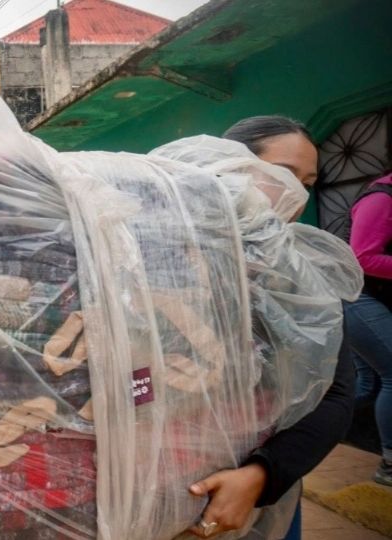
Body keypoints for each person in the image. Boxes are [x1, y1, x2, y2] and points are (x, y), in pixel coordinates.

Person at [186, 116, 355, 539]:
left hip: (262, 493)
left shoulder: (303, 277)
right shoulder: (155, 253)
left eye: (309, 182)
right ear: (224, 168)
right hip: (168, 489)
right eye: (282, 174)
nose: (297, 195)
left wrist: (261, 475)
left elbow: (335, 391)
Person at [342, 170, 392, 486]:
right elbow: (363, 256)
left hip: (370, 300)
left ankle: (313, 421)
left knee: (366, 385)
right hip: (358, 300)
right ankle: (389, 465)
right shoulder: (380, 198)